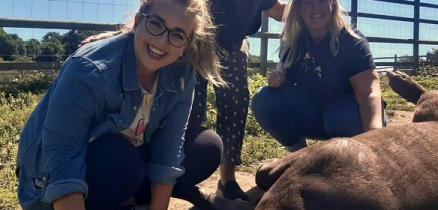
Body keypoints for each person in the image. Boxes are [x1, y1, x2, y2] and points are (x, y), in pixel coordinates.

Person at [15, 0, 227, 209]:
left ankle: (129, 200)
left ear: (186, 46)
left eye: (178, 35)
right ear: (137, 22)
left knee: (206, 147)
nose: (162, 41)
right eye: (156, 24)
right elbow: (62, 160)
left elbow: (170, 147)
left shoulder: (183, 74)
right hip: (50, 174)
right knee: (122, 162)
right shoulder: (88, 70)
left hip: (126, 160)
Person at [78, 0, 287, 201]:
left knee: (236, 99)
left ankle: (227, 179)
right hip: (189, 42)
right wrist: (122, 34)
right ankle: (177, 172)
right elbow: (164, 10)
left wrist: (312, 5)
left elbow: (283, 12)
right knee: (190, 106)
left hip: (232, 47)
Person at [251, 0, 387, 153]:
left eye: (322, 1)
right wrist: (280, 75)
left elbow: (369, 91)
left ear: (333, 4)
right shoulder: (292, 39)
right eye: (308, 3)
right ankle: (300, 156)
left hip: (350, 116)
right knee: (264, 99)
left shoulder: (350, 39)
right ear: (299, 9)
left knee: (337, 117)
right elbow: (285, 68)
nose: (316, 8)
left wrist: (375, 136)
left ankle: (352, 158)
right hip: (316, 114)